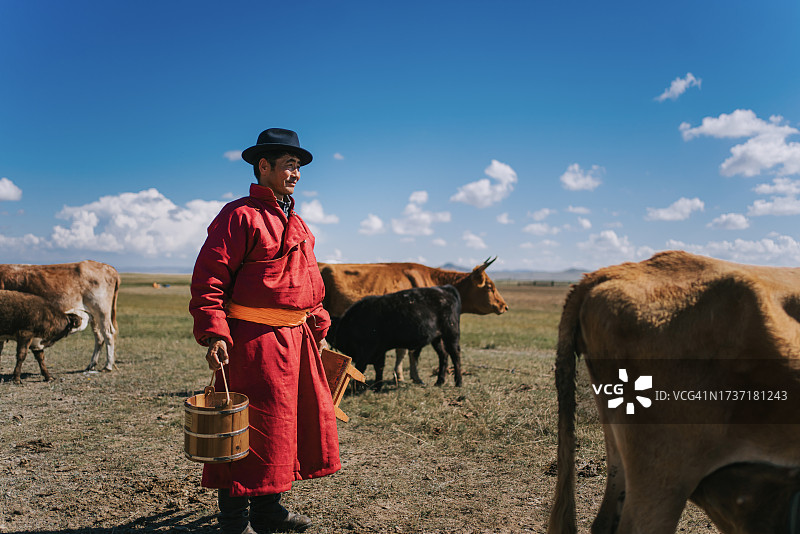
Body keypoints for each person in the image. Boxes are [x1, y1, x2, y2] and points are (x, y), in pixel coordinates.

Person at [189, 128, 340, 534]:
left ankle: (269, 511)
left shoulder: (298, 223)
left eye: (298, 166)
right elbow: (209, 280)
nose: (296, 173)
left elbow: (309, 285)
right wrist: (215, 334)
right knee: (242, 429)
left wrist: (319, 326)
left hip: (295, 342)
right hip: (252, 342)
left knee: (281, 429)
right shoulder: (238, 215)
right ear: (264, 166)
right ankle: (234, 521)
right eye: (289, 165)